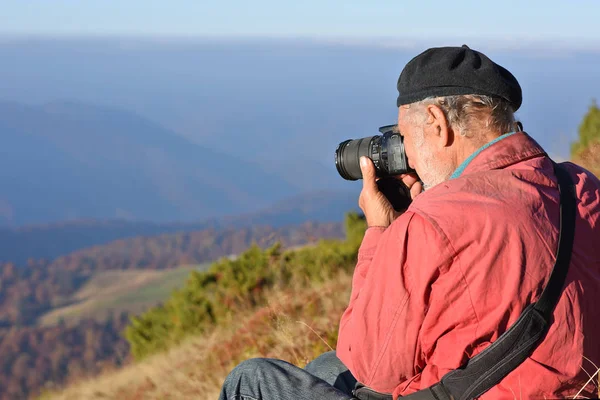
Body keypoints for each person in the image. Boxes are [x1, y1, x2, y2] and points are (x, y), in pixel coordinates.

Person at [218, 45, 600, 399]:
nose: (407, 156)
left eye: (403, 137)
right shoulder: (580, 185)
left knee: (252, 380)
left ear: (437, 122)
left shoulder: (435, 220)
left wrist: (383, 232)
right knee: (325, 367)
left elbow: (371, 364)